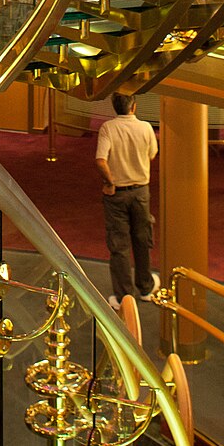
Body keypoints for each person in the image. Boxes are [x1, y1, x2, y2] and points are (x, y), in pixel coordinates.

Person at [94, 91, 159, 307]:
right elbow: (152, 154)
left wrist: (110, 181)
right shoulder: (146, 128)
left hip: (117, 194)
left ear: (114, 107)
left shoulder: (108, 128)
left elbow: (101, 160)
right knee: (142, 239)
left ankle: (124, 297)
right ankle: (146, 287)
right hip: (141, 191)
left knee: (119, 245)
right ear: (134, 106)